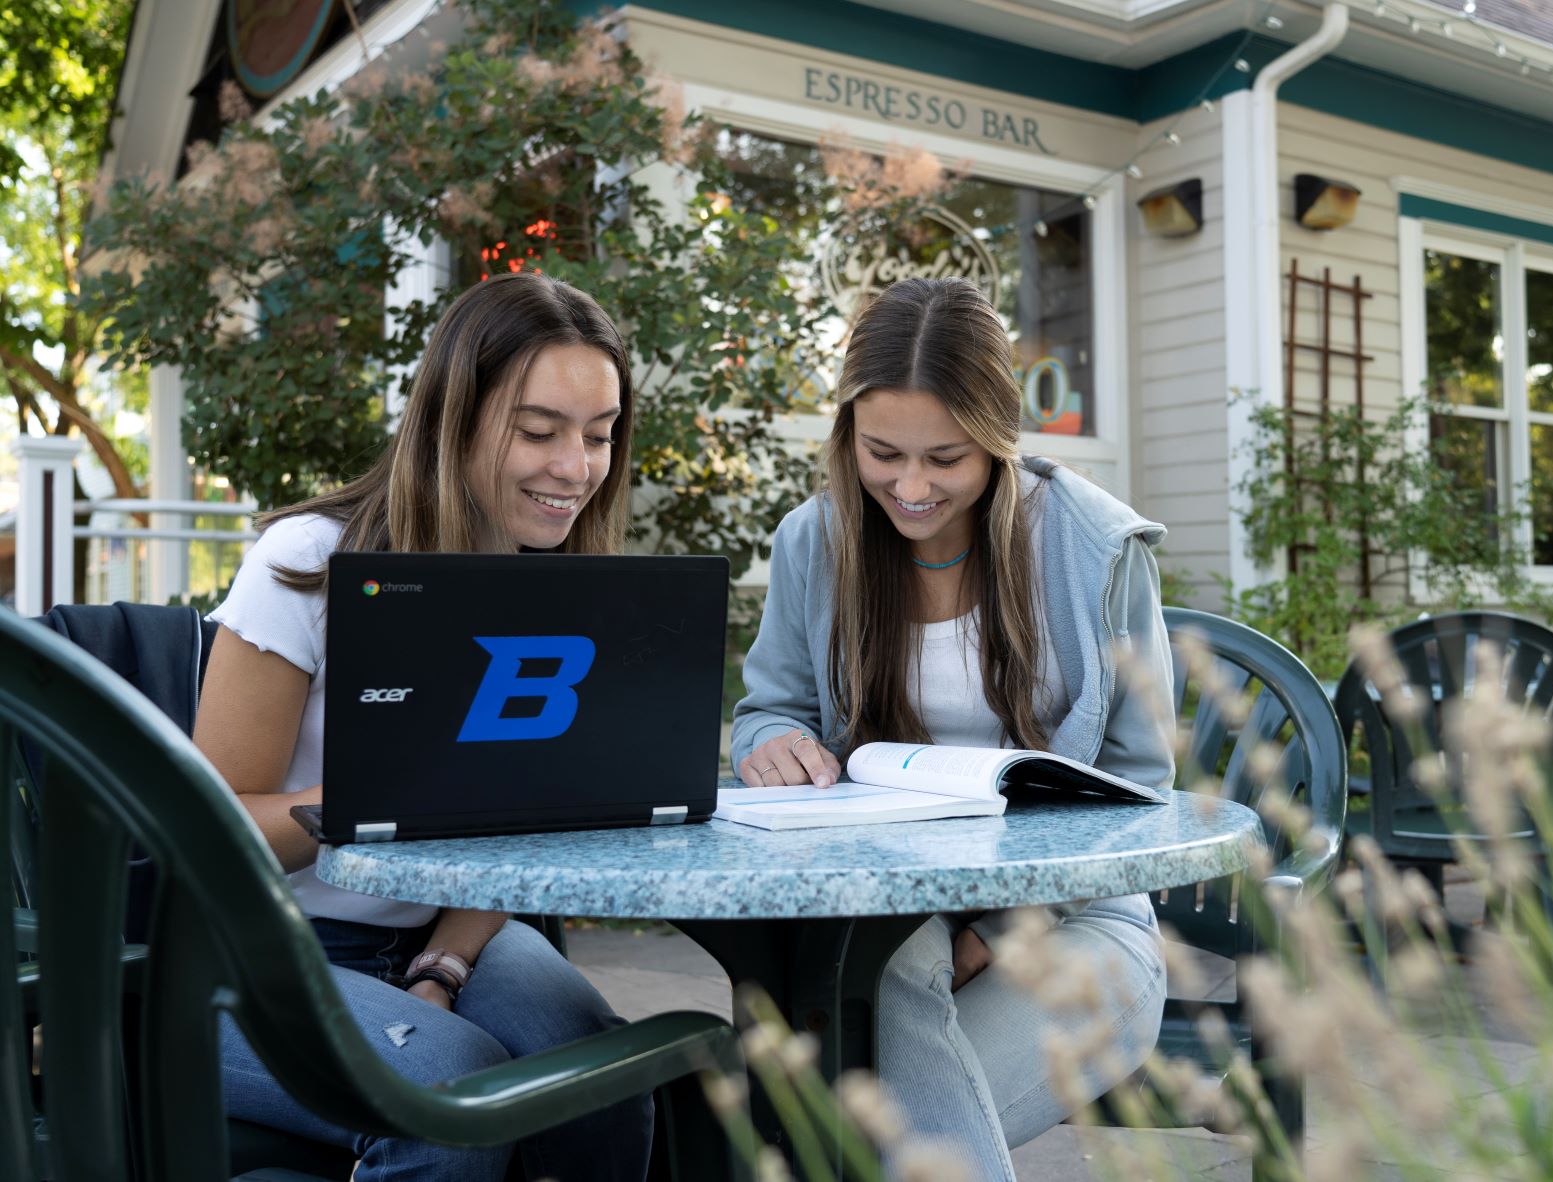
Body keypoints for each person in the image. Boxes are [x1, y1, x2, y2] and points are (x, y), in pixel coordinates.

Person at [193, 271, 651, 1182]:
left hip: (444, 928)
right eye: (538, 431)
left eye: (599, 437)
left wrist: (447, 960)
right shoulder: (312, 563)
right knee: (452, 1103)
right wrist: (391, 788)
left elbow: (524, 818)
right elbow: (209, 833)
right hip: (247, 958)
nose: (575, 468)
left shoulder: (556, 586)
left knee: (610, 1082)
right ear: (453, 417)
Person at [731, 276, 1174, 1179]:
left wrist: (1007, 923)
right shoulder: (814, 542)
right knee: (863, 1032)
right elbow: (765, 711)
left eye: (947, 457)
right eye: (882, 453)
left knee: (853, 1131)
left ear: (1000, 441)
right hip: (890, 906)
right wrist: (769, 744)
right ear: (847, 433)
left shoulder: (1093, 547)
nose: (911, 486)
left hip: (1080, 911)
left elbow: (1140, 789)